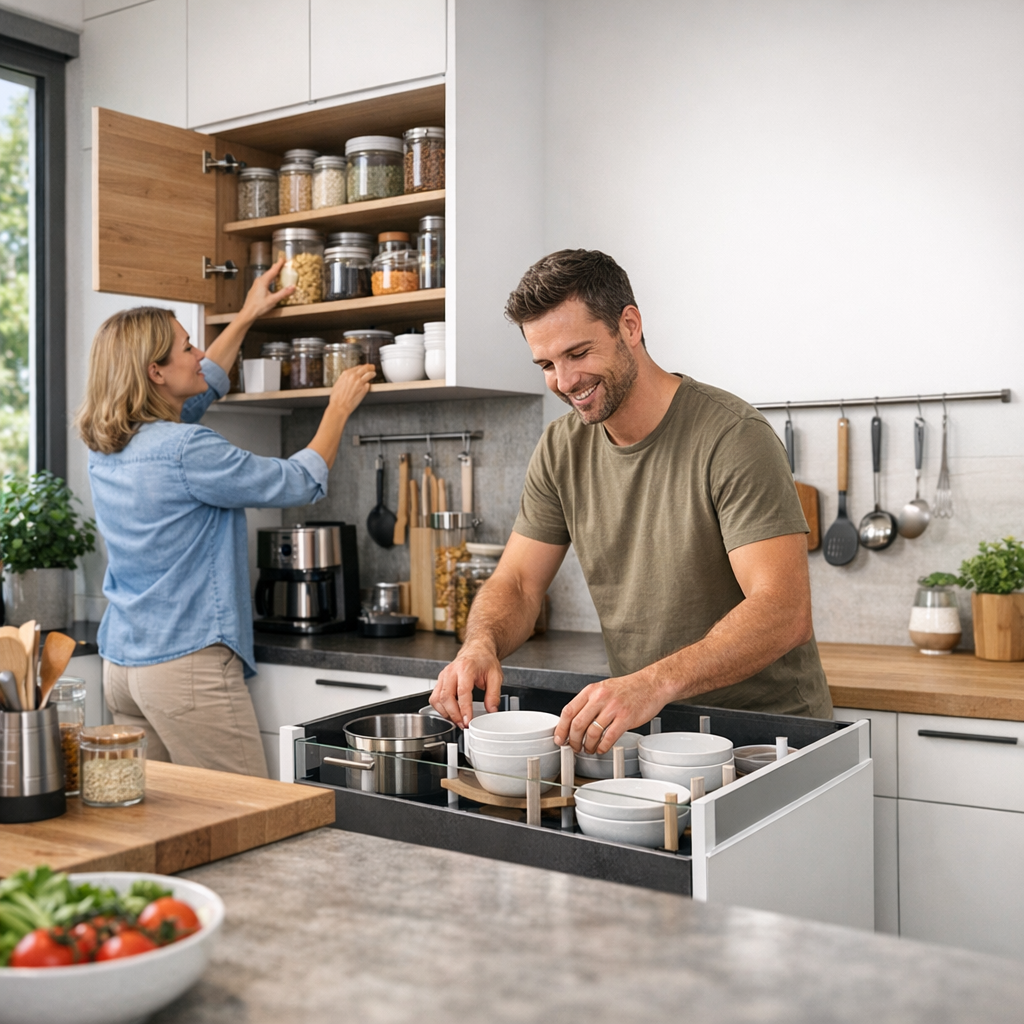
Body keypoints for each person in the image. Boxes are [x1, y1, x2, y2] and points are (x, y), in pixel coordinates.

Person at [431, 249, 831, 754]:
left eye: (578, 353)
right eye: (547, 364)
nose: (564, 380)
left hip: (765, 738)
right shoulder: (561, 448)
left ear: (630, 325)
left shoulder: (732, 436)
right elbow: (518, 581)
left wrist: (652, 683)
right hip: (650, 734)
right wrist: (480, 643)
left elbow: (783, 610)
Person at [76, 263, 376, 776]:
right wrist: (337, 407)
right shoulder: (186, 449)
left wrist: (247, 316)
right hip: (185, 668)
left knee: (165, 817)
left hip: (123, 664)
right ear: (155, 372)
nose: (198, 355)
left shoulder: (108, 446)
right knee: (245, 816)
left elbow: (204, 384)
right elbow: (298, 481)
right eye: (188, 347)